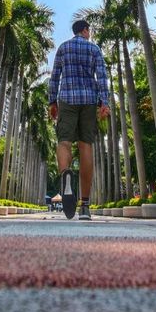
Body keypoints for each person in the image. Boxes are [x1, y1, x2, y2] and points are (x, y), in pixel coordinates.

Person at [48, 18, 110, 221]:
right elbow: (101, 76)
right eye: (89, 30)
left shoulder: (63, 47)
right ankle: (84, 205)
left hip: (66, 99)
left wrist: (52, 102)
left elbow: (55, 76)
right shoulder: (94, 49)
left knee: (63, 141)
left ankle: (66, 173)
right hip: (89, 100)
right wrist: (105, 102)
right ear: (85, 30)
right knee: (86, 146)